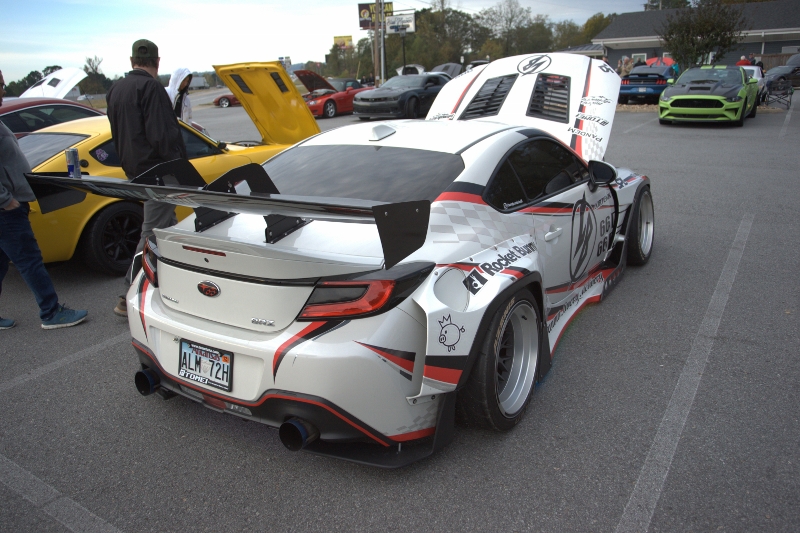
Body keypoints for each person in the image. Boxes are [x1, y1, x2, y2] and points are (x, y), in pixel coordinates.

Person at [0, 70, 88, 330]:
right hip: (6, 210)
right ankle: (50, 311)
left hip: (9, 204)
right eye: (0, 84)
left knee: (1, 263)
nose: (3, 90)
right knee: (29, 259)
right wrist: (6, 200)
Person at [106, 39, 187, 316]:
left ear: (132, 61)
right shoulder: (152, 88)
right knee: (152, 232)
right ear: (157, 62)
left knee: (169, 229)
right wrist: (179, 166)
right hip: (159, 172)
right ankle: (127, 292)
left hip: (134, 170)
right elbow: (162, 134)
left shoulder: (116, 89)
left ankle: (173, 283)